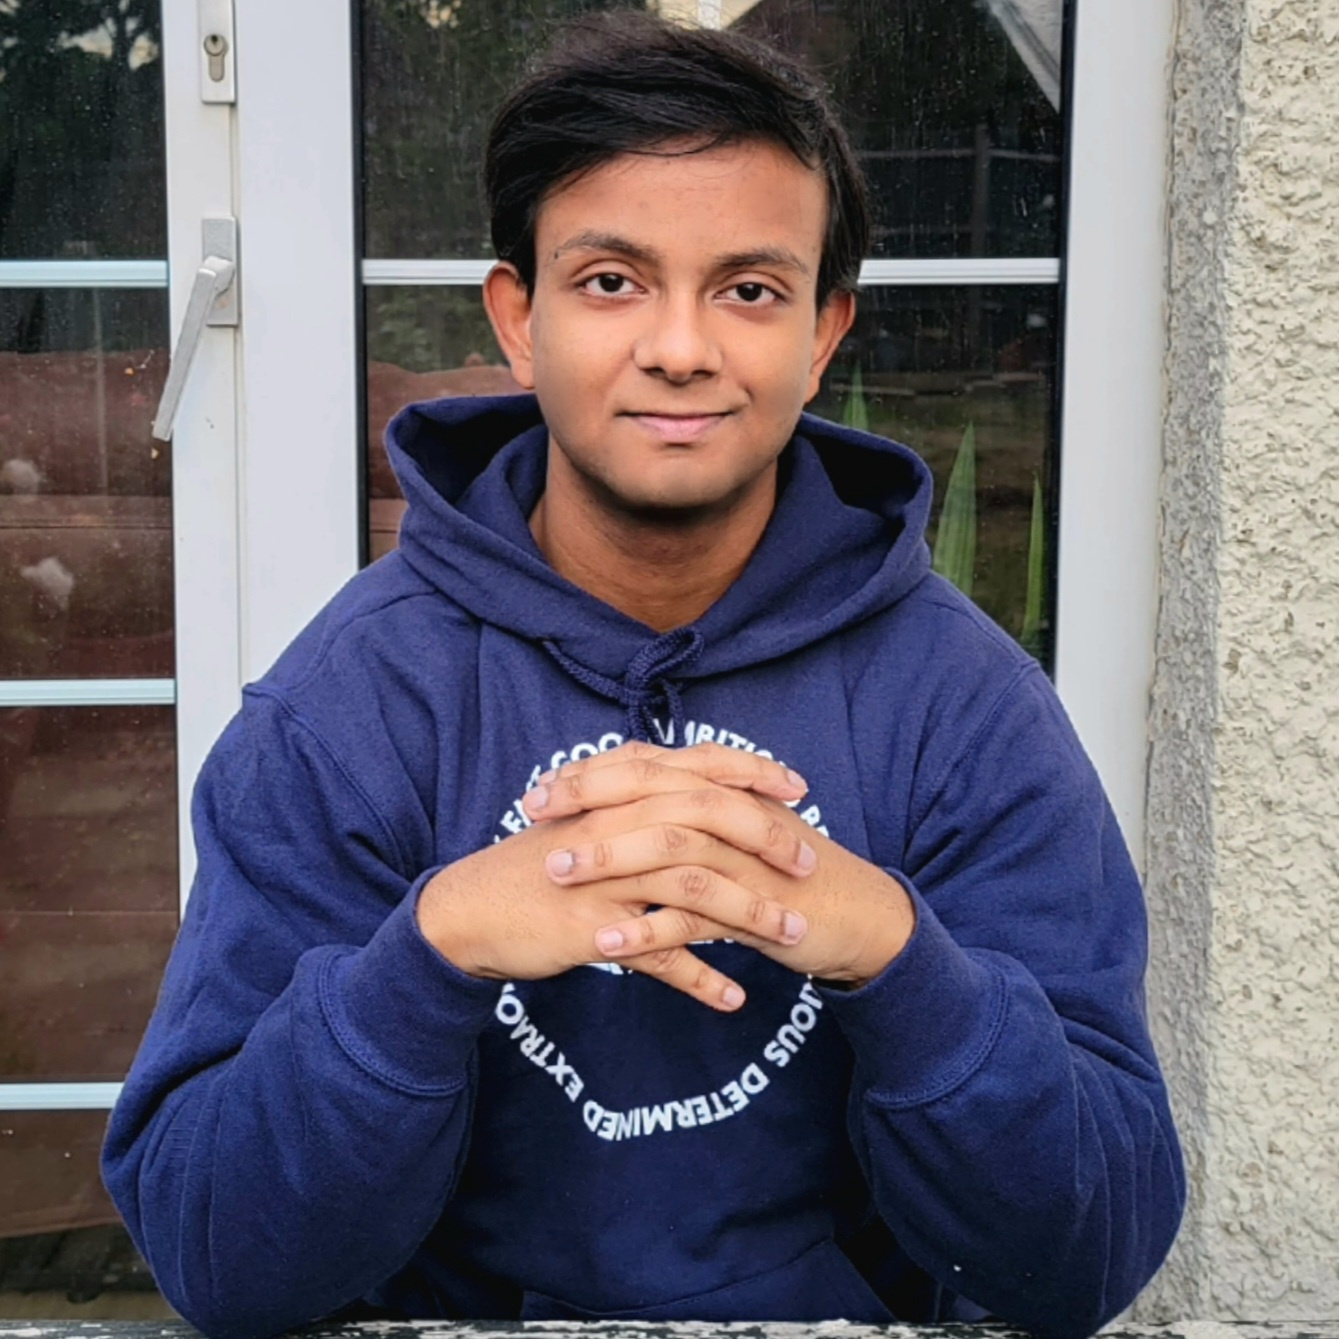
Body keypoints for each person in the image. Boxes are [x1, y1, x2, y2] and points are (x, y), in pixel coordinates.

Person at [102, 14, 1184, 1339]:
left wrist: (897, 958)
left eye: (750, 290)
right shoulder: (351, 706)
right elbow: (216, 1253)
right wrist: (431, 955)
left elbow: (1093, 1253)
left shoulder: (964, 710)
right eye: (613, 280)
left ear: (824, 334)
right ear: (520, 318)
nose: (680, 346)